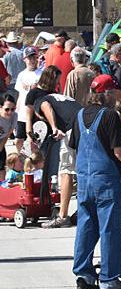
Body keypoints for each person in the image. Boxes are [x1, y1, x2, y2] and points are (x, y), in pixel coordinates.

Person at [69, 74, 121, 289]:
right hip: (106, 180)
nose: (119, 94)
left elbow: (76, 148)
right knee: (111, 229)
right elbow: (119, 152)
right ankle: (109, 278)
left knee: (86, 227)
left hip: (85, 179)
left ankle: (84, 276)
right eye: (116, 90)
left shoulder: (79, 116)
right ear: (107, 93)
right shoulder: (110, 116)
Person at [33, 76, 83, 228]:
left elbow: (46, 107)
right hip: (86, 125)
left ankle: (63, 216)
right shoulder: (64, 98)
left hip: (71, 129)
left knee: (65, 171)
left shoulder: (41, 100)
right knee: (83, 170)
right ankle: (84, 210)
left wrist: (54, 127)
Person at [12, 47, 41, 152]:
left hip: (35, 112)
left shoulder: (40, 74)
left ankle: (34, 161)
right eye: (29, 58)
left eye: (34, 57)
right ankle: (20, 157)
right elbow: (20, 95)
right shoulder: (21, 75)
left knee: (33, 139)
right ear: (24, 59)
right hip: (22, 113)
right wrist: (16, 112)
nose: (32, 60)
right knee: (18, 139)